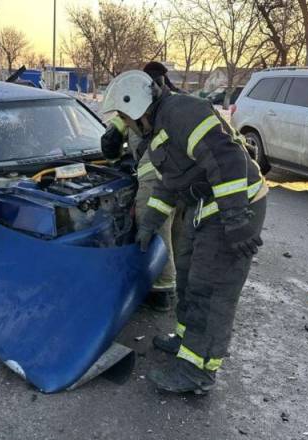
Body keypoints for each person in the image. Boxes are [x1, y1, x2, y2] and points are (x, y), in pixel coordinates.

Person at [101, 71, 268, 395]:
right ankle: (186, 342)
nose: (125, 125)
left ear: (135, 107)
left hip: (234, 205)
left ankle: (198, 371)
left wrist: (235, 217)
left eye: (124, 117)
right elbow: (171, 182)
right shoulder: (160, 126)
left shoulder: (181, 113)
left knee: (212, 289)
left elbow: (227, 158)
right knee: (189, 278)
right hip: (206, 206)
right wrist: (150, 222)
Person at [100, 61, 182, 312]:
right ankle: (173, 280)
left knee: (153, 223)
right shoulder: (139, 105)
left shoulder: (168, 105)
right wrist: (114, 138)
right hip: (177, 175)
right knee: (171, 228)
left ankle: (161, 289)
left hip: (157, 173)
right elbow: (112, 140)